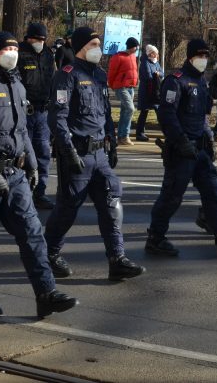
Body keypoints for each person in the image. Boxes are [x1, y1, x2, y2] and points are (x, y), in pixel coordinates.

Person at [0, 32, 78, 318]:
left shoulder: (18, 85)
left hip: (16, 173)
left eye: (14, 48)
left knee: (32, 231)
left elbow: (22, 130)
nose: (12, 53)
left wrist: (32, 163)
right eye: (6, 49)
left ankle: (46, 292)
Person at [44, 26, 145, 281]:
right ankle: (49, 254)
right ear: (81, 48)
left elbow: (105, 113)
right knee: (68, 208)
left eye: (98, 45)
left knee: (111, 202)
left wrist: (112, 142)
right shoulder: (67, 76)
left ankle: (117, 259)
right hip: (77, 153)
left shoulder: (99, 75)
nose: (97, 49)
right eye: (93, 45)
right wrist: (67, 150)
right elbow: (58, 117)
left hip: (100, 153)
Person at [144, 39, 217, 257]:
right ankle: (155, 238)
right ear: (190, 57)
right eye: (199, 55)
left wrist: (210, 140)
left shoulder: (202, 82)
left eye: (206, 55)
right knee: (172, 197)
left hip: (200, 151)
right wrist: (180, 141)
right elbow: (167, 115)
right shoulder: (176, 81)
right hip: (181, 151)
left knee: (214, 192)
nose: (203, 59)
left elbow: (203, 117)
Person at [18, 22, 56, 210]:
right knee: (23, 154)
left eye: (43, 39)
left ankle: (39, 192)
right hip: (24, 112)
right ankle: (21, 193)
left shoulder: (48, 54)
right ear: (29, 38)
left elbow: (53, 79)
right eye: (37, 39)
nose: (40, 42)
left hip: (43, 112)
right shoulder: (19, 53)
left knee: (43, 153)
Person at [107, 37, 140, 145]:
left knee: (125, 111)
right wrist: (112, 85)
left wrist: (135, 82)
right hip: (121, 87)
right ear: (131, 46)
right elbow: (111, 73)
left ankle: (121, 137)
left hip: (131, 87)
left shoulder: (133, 56)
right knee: (130, 109)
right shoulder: (118, 57)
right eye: (136, 47)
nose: (137, 49)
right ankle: (125, 135)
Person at [134, 44, 163, 142]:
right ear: (150, 53)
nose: (157, 55)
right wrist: (156, 74)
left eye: (157, 54)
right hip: (146, 91)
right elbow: (148, 76)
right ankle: (139, 133)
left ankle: (167, 131)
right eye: (155, 53)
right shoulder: (145, 63)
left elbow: (162, 73)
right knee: (144, 112)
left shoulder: (156, 63)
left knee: (159, 111)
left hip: (155, 91)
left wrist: (158, 74)